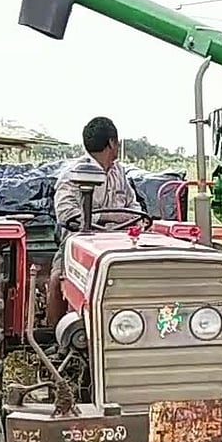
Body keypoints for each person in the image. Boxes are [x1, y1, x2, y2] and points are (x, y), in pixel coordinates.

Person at [45, 116, 145, 327]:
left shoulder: (119, 172)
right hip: (82, 240)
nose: (117, 147)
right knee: (56, 278)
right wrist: (104, 218)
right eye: (117, 142)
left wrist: (137, 221)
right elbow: (65, 214)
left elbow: (133, 205)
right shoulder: (73, 174)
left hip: (121, 240)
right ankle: (56, 335)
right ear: (111, 143)